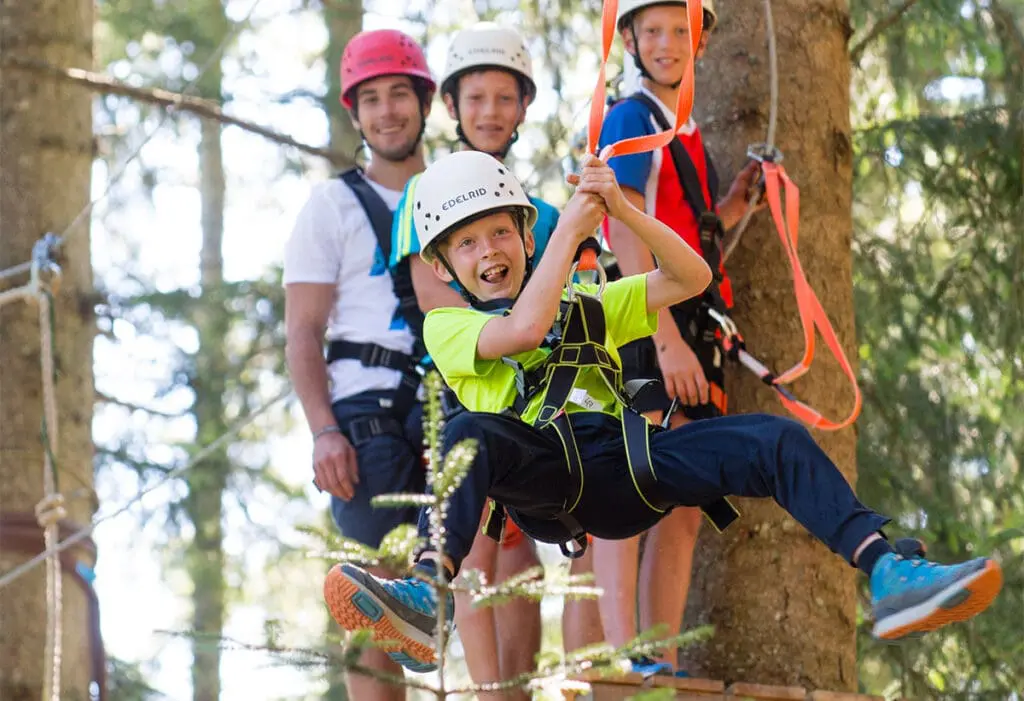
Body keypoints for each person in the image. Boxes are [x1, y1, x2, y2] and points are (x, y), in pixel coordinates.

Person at [321, 150, 1003, 675]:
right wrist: (573, 235)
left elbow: (689, 279)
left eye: (500, 232)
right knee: (470, 433)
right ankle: (425, 592)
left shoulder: (588, 302)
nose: (489, 251)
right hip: (546, 473)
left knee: (775, 439)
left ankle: (885, 568)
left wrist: (621, 208)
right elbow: (524, 330)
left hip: (630, 466)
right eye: (466, 245)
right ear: (443, 266)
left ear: (525, 237)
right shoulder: (449, 328)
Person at [387, 23, 572, 698]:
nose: (490, 111)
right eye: (476, 98)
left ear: (523, 107)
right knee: (476, 538)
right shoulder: (424, 196)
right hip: (461, 378)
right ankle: (491, 689)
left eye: (504, 97)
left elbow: (561, 295)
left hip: (530, 383)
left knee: (521, 542)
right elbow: (439, 298)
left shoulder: (543, 212)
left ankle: (517, 688)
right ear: (453, 107)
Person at [591, 0, 764, 675]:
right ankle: (621, 653)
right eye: (654, 31)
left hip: (688, 326)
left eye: (680, 32)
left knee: (682, 502)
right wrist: (661, 336)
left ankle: (654, 657)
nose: (667, 44)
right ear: (630, 39)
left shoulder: (682, 131)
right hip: (650, 325)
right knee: (633, 483)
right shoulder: (632, 119)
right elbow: (624, 227)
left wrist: (733, 208)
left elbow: (680, 230)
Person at [283, 28, 437, 699]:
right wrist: (323, 429)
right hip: (367, 413)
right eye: (370, 99)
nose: (387, 111)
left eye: (399, 93)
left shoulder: (461, 191)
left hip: (454, 403)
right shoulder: (332, 206)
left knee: (481, 571)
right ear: (355, 114)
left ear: (424, 101)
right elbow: (303, 329)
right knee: (371, 589)